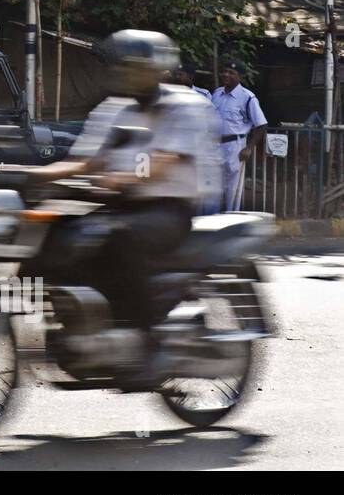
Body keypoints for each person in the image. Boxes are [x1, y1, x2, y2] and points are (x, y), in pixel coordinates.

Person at [25, 30, 213, 382]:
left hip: (167, 210)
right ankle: (85, 329)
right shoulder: (112, 110)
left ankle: (150, 342)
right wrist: (35, 175)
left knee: (122, 240)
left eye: (135, 67)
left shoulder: (182, 107)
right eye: (123, 66)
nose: (126, 73)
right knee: (59, 237)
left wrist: (122, 178)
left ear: (156, 70)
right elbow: (84, 161)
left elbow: (162, 161)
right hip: (119, 205)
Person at [210, 59, 267, 211]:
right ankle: (212, 221)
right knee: (213, 186)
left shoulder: (247, 97)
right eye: (225, 71)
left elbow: (261, 125)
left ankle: (230, 220)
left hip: (234, 146)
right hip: (215, 145)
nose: (226, 75)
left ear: (239, 76)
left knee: (232, 189)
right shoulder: (217, 94)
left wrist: (249, 148)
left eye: (231, 73)